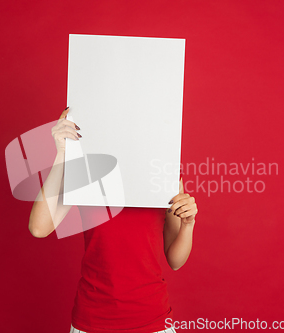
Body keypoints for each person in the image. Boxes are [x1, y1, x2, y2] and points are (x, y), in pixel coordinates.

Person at [29, 107, 198, 333]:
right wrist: (63, 152)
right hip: (92, 320)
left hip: (152, 320)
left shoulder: (164, 173)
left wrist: (188, 224)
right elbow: (39, 227)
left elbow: (175, 260)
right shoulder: (86, 169)